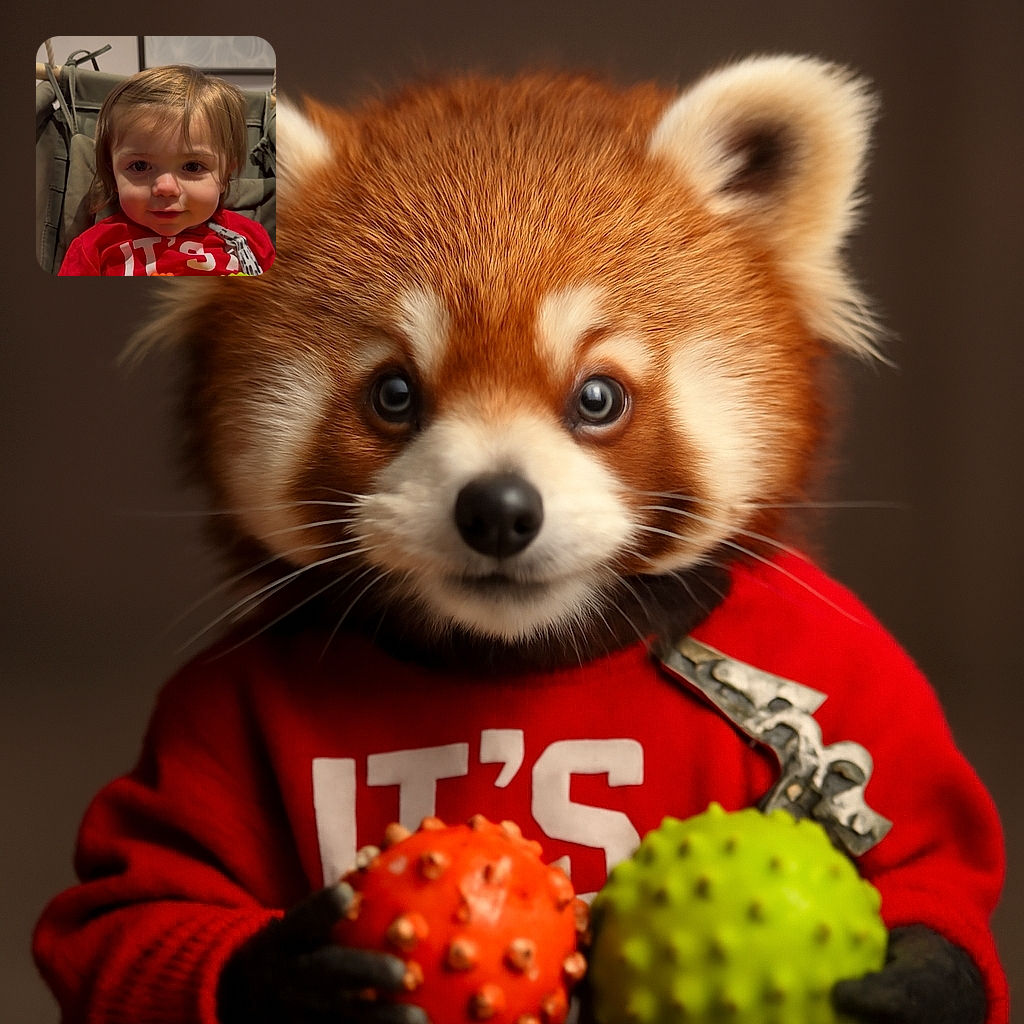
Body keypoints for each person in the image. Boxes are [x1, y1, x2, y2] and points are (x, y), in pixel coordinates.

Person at [58, 65, 275, 276]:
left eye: (192, 166)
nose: (166, 188)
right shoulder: (92, 248)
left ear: (225, 176)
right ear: (112, 174)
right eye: (139, 166)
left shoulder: (249, 239)